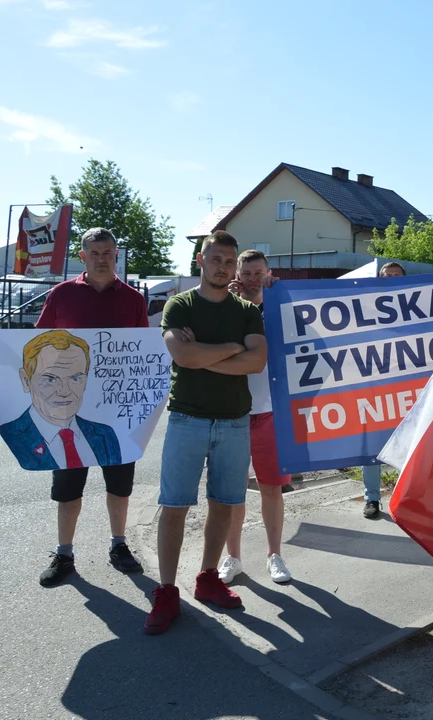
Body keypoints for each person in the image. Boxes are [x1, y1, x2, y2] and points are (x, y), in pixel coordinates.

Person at [0, 227, 147, 587]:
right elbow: (36, 342)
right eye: (95, 252)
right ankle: (65, 553)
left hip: (115, 412)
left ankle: (119, 545)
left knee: (120, 485)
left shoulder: (134, 299)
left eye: (108, 252)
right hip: (64, 412)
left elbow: (143, 348)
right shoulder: (61, 295)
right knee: (68, 486)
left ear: (116, 254)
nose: (102, 258)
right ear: (83, 256)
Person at [145, 230, 267, 635]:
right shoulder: (180, 304)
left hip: (233, 422)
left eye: (229, 262)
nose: (223, 267)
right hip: (187, 420)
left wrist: (205, 357)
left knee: (224, 503)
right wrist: (233, 348)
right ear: (201, 260)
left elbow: (257, 362)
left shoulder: (247, 311)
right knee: (175, 506)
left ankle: (208, 578)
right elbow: (181, 354)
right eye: (216, 260)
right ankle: (165, 591)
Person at [218, 250, 292, 585]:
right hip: (231, 414)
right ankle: (232, 557)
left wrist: (279, 296)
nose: (251, 279)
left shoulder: (279, 307)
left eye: (257, 273)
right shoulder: (224, 306)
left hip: (270, 413)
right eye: (245, 273)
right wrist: (224, 304)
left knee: (272, 489)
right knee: (230, 491)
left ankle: (274, 555)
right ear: (237, 273)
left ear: (268, 274)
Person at [0, 330, 121, 470]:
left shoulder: (105, 434)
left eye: (76, 378)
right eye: (50, 379)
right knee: (66, 490)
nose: (64, 391)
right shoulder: (12, 434)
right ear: (26, 380)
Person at [362, 261, 406, 519]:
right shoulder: (367, 307)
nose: (391, 279)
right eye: (387, 276)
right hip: (374, 387)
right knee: (370, 444)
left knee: (409, 441)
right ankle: (372, 499)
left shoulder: (419, 306)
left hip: (407, 388)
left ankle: (405, 497)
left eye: (396, 275)